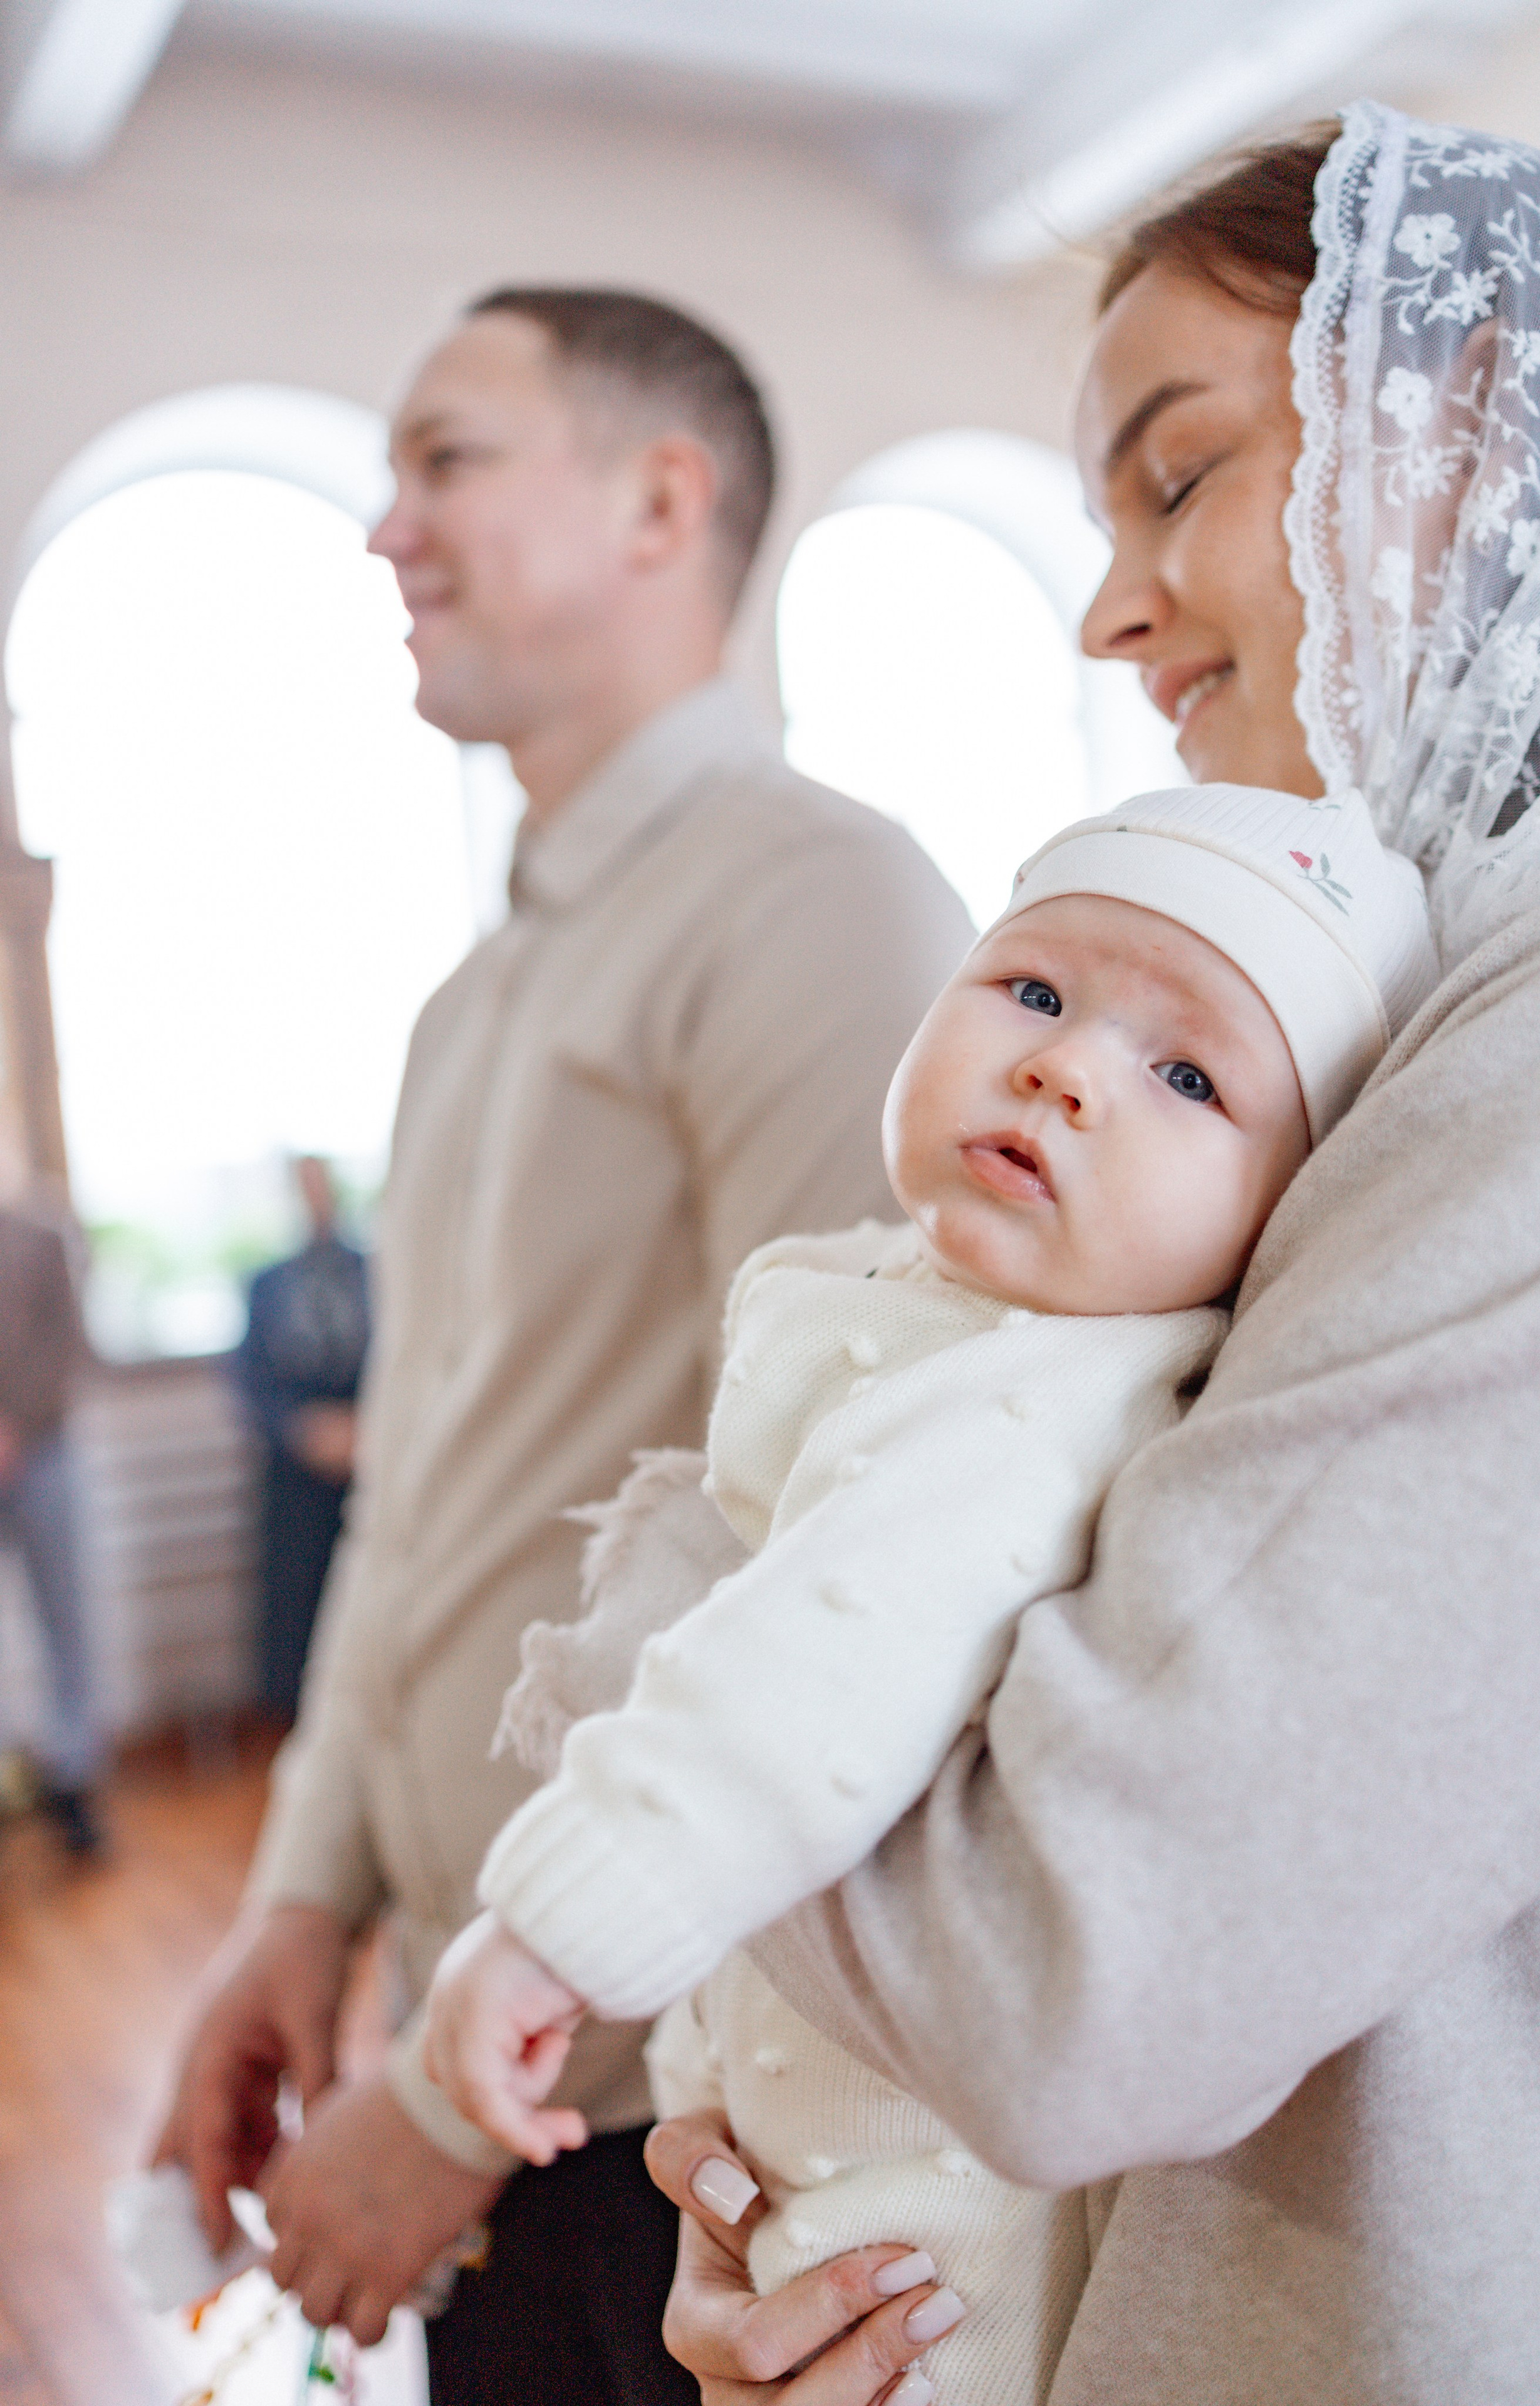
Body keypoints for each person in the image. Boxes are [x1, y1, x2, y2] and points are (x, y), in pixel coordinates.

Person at [625, 106, 1540, 2403]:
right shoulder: (1410, 998)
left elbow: (1074, 1971)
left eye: (1175, 478)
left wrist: (666, 1604)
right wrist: (829, 2179)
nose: (1108, 611)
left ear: (1472, 434)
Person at [150, 285, 972, 2400]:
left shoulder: (821, 901)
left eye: (447, 460)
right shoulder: (472, 996)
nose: (383, 529)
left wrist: (449, 2103)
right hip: (487, 2022)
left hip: (654, 2087)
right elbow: (426, 1501)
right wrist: (302, 1902)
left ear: (658, 501)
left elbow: (843, 1560)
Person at [424, 779, 1438, 2402]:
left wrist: (551, 1928)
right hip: (803, 2122)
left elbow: (817, 1660)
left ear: (1277, 1219)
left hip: (929, 2221)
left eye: (1188, 1078)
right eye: (1034, 990)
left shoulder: (1037, 1396)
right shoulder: (921, 1304)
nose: (1064, 1066)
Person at [233, 1156, 369, 1724]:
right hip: (296, 1468)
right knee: (298, 1607)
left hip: (367, 1454)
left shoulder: (375, 1272)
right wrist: (302, 1430)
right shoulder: (268, 1284)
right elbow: (249, 1379)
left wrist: (365, 1428)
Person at [0, 1178, 100, 1858]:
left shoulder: (38, 1237)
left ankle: (75, 1782)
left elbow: (67, 1341)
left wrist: (16, 1427)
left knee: (67, 1619)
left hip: (42, 1452)